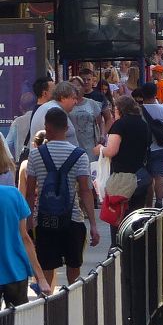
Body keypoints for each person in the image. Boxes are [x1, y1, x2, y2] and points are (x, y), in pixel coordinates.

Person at [26, 107, 99, 291]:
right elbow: (85, 190)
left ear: (47, 127)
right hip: (72, 219)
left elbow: (29, 192)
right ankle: (71, 304)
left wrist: (28, 223)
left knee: (47, 266)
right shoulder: (79, 155)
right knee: (74, 268)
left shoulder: (35, 155)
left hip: (43, 220)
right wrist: (93, 225)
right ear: (67, 128)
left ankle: (47, 304)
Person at [96, 94, 152, 221]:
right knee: (136, 215)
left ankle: (119, 240)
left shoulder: (120, 125)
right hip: (140, 175)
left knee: (118, 215)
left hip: (122, 177)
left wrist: (99, 149)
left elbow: (111, 151)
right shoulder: (143, 124)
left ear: (119, 109)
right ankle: (136, 240)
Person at [0, 184, 50, 307]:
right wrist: (41, 278)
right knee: (17, 322)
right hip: (15, 271)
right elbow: (25, 238)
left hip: (14, 273)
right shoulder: (13, 194)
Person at [139, 82, 163, 209]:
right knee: (160, 176)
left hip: (144, 149)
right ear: (155, 93)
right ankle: (159, 201)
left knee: (148, 178)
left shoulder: (138, 110)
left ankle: (149, 203)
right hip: (161, 148)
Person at [7, 76, 52, 161]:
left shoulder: (17, 122)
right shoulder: (44, 114)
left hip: (23, 160)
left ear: (20, 107)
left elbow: (8, 143)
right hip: (42, 159)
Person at [29, 81, 79, 147]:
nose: (76, 102)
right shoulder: (56, 112)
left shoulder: (47, 107)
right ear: (63, 98)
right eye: (73, 98)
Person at [68, 77, 104, 155]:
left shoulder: (92, 103)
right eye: (73, 86)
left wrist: (102, 135)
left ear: (83, 87)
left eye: (78, 85)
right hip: (72, 145)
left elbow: (100, 122)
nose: (76, 88)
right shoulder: (67, 104)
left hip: (90, 144)